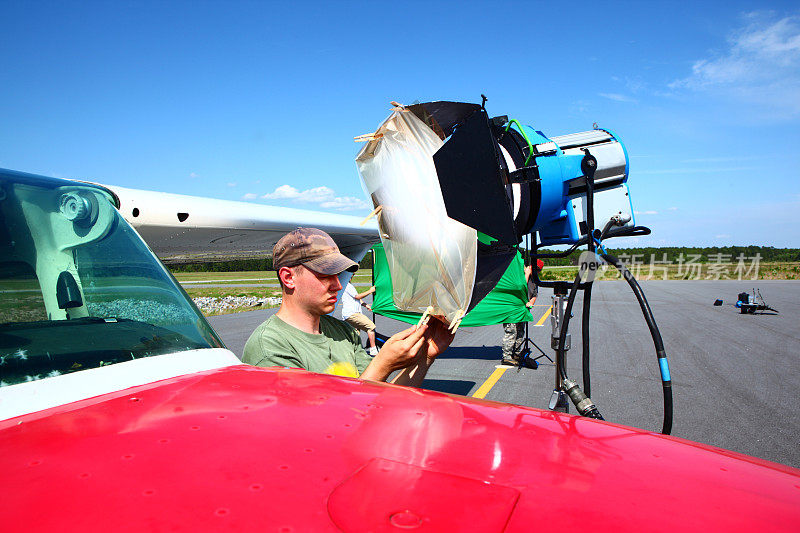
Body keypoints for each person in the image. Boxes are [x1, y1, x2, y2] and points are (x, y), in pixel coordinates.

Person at [243, 227, 454, 386]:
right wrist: (383, 363)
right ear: (288, 277)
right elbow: (315, 427)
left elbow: (376, 396)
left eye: (339, 274)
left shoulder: (343, 331)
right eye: (325, 274)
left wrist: (425, 356)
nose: (337, 285)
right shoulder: (270, 347)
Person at [501, 258, 543, 365]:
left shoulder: (534, 281)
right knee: (511, 332)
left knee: (520, 332)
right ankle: (507, 356)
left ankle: (516, 353)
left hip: (523, 310)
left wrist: (531, 303)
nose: (536, 272)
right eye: (534, 269)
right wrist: (527, 274)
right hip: (512, 309)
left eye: (538, 270)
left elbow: (534, 295)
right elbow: (520, 287)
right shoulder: (520, 274)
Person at [341, 283, 379, 356]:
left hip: (349, 314)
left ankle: (352, 351)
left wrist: (365, 305)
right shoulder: (347, 285)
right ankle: (373, 349)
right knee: (371, 326)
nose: (353, 274)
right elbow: (357, 297)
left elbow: (355, 298)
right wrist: (370, 291)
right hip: (352, 313)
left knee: (355, 333)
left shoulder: (347, 284)